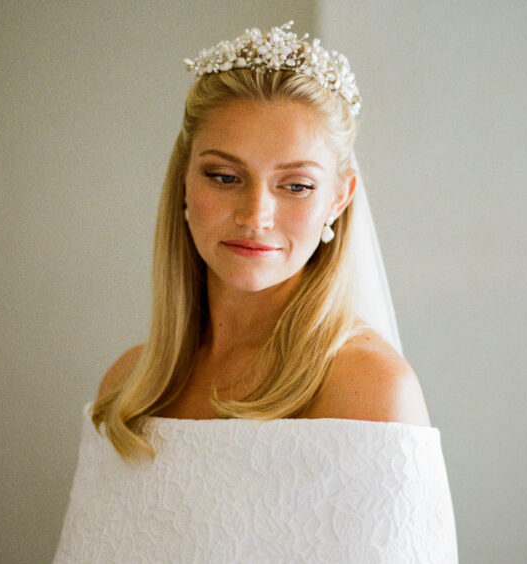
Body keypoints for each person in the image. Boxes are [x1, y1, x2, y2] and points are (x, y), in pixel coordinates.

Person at [54, 22, 457, 563]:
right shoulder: (128, 387)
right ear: (184, 183)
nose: (255, 216)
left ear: (339, 199)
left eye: (296, 185)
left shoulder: (370, 390)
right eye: (224, 176)